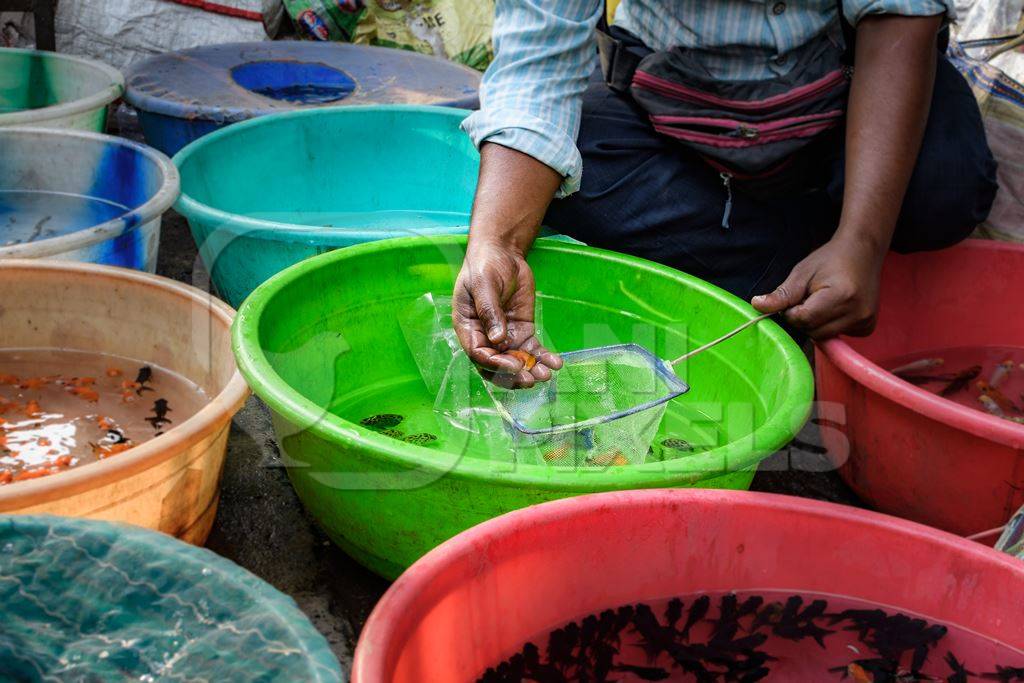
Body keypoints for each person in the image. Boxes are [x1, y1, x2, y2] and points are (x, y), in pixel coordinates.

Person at [451, 0, 998, 387]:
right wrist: (497, 244)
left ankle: (819, 254)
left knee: (943, 184)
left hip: (842, 92)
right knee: (527, 173)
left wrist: (863, 240)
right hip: (671, 100)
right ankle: (791, 258)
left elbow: (898, 11)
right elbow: (538, 66)